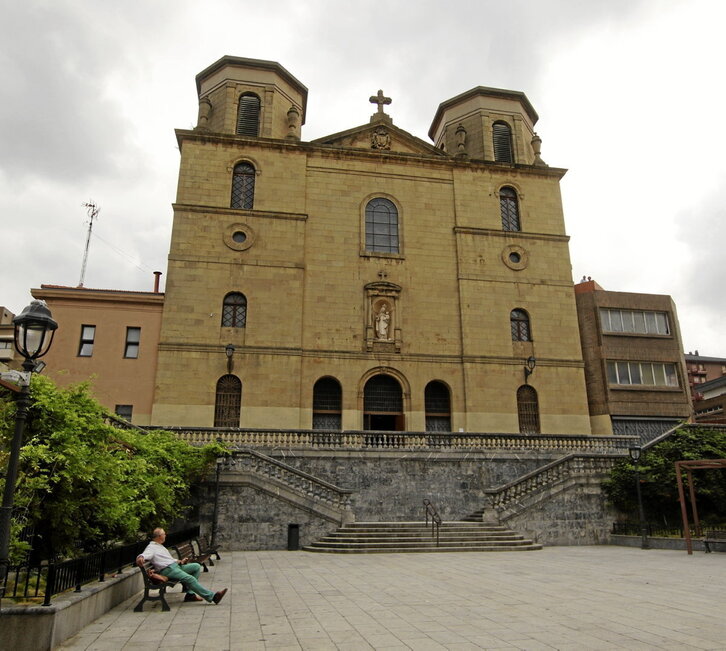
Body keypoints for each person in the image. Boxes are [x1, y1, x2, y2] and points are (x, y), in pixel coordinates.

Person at [136, 527, 227, 604]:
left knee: (196, 566)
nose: (165, 536)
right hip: (168, 570)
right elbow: (145, 554)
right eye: (164, 534)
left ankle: (190, 595)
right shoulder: (152, 547)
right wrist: (141, 557)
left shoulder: (159, 546)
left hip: (175, 566)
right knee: (190, 579)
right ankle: (213, 597)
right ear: (159, 536)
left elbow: (168, 559)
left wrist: (179, 561)